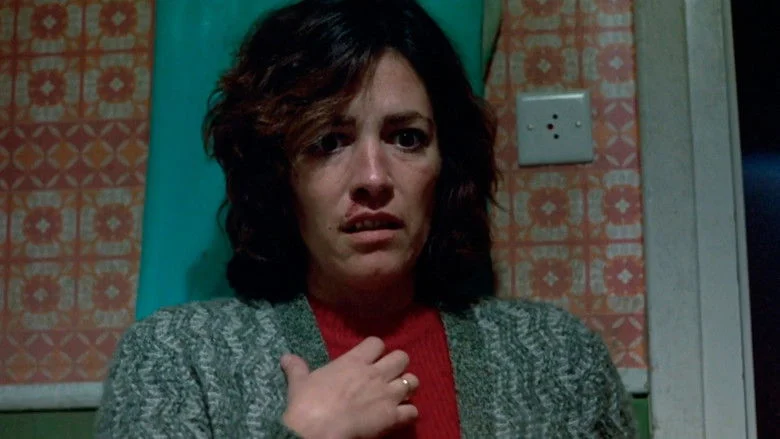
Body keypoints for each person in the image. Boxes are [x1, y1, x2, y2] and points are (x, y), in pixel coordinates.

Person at [96, 0, 636, 437]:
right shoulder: (177, 359)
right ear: (279, 174)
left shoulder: (560, 361)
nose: (373, 178)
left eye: (407, 138)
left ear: (445, 164)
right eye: (328, 141)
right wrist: (305, 434)